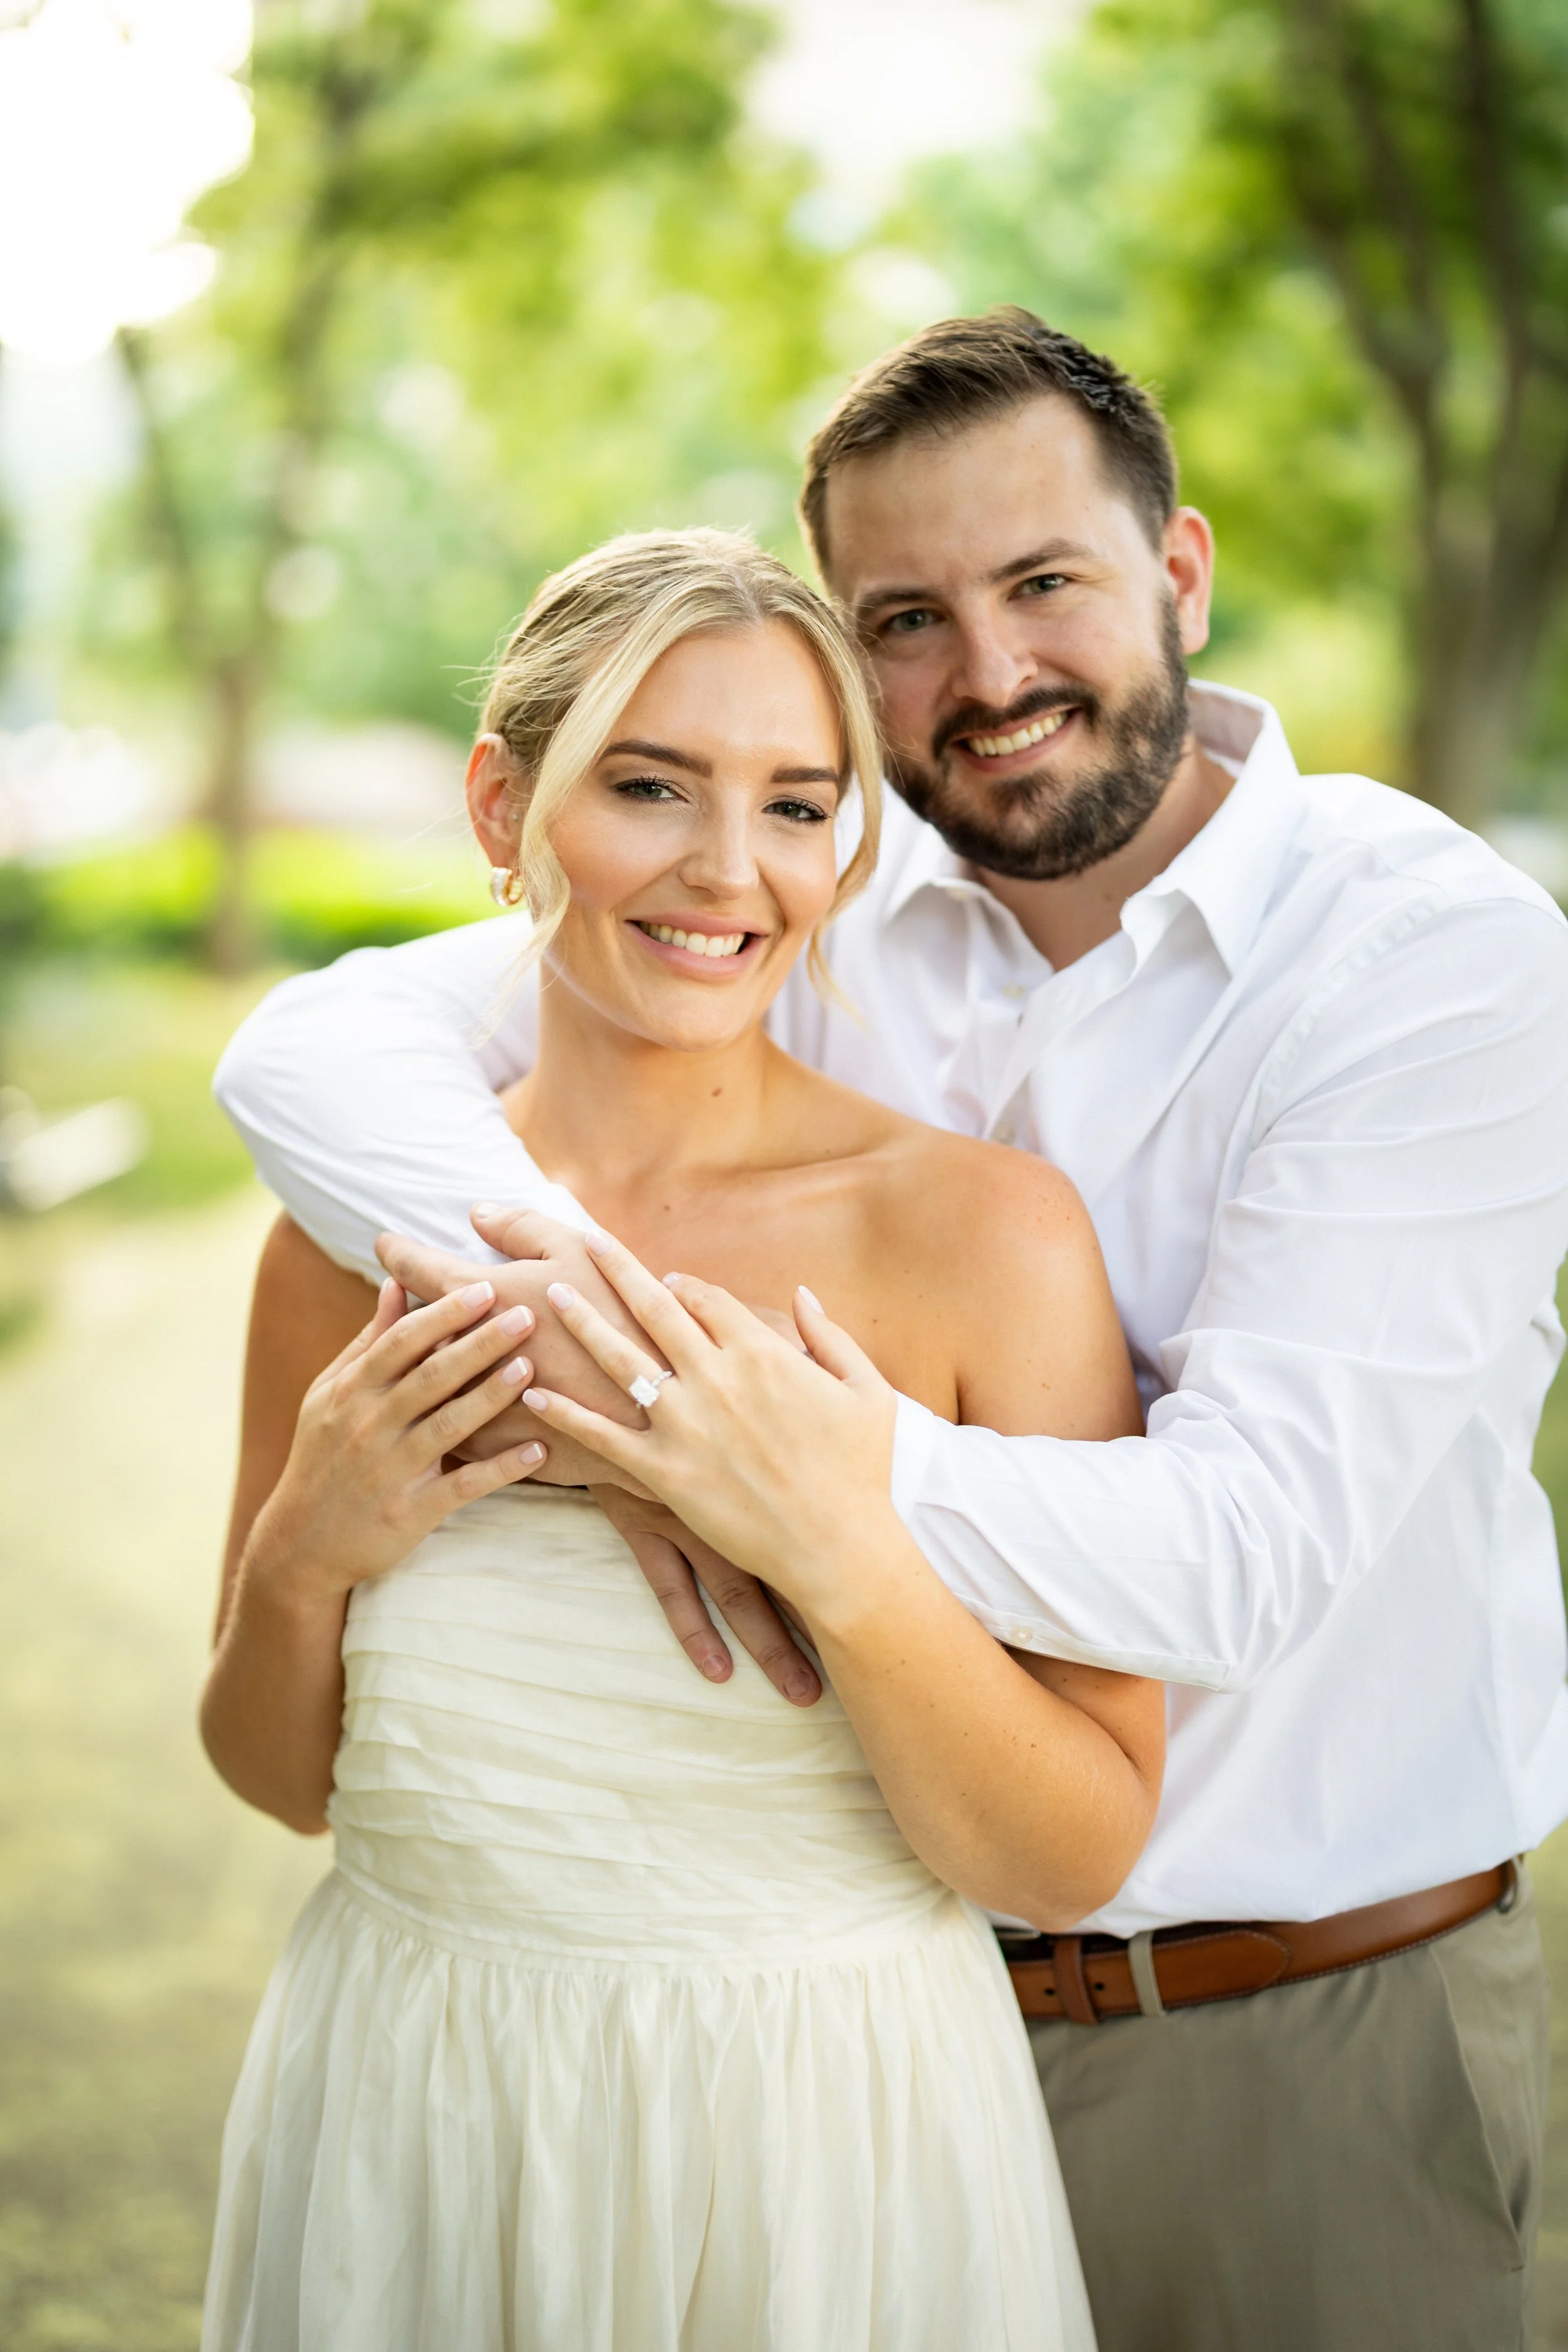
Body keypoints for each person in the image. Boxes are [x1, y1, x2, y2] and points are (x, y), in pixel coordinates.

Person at [217, 310, 1568, 2351]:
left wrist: (731, 1450)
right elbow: (328, 1037)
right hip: (699, 2051)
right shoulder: (824, 907)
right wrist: (439, 1453)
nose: (989, 672)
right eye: (906, 619)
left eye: (1044, 584)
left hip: (1283, 2027)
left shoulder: (1421, 958)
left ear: (1177, 571)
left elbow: (1233, 1558)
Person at [202, 527, 1160, 2351]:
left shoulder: (981, 1238)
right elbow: (279, 1775)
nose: (731, 872)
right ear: (504, 801)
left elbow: (1069, 1853)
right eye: (648, 786)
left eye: (797, 806)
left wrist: (836, 1543)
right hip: (418, 2103)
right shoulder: (350, 1248)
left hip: (825, 2141)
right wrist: (308, 1550)